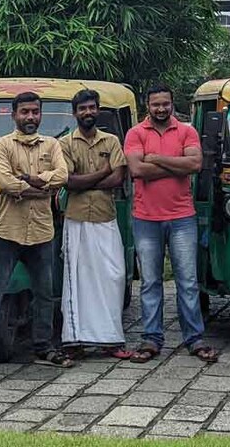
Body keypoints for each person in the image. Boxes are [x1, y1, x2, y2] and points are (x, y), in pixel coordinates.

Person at [0, 92, 72, 376]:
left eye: (35, 112)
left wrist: (30, 181)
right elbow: (5, 182)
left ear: (41, 115)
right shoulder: (1, 145)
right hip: (8, 232)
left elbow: (62, 175)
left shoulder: (52, 145)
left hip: (42, 232)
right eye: (25, 112)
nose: (30, 117)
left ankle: (44, 346)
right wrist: (43, 187)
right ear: (13, 115)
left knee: (45, 293)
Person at [123, 84, 219, 364]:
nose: (161, 109)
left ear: (172, 104)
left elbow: (195, 165)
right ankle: (152, 339)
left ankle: (194, 338)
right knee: (151, 282)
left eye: (165, 103)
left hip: (181, 217)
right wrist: (176, 163)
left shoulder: (186, 131)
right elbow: (137, 170)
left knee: (187, 282)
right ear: (147, 106)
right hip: (146, 219)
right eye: (156, 104)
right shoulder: (135, 133)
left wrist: (156, 159)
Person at [59, 89, 132, 360]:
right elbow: (68, 181)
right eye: (82, 109)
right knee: (77, 280)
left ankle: (110, 338)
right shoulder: (65, 144)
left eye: (91, 107)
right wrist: (103, 172)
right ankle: (74, 339)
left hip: (105, 217)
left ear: (98, 109)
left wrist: (85, 179)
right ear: (75, 112)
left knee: (113, 276)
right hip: (76, 219)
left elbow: (118, 179)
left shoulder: (111, 140)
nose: (87, 112)